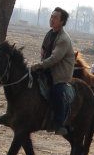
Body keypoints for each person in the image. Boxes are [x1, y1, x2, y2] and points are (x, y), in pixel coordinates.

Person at [30, 7, 75, 135]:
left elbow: (55, 58)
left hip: (59, 76)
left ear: (62, 22)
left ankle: (59, 123)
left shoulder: (64, 39)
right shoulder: (50, 34)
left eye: (55, 17)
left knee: (57, 92)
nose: (52, 19)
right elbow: (44, 52)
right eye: (51, 16)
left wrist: (39, 65)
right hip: (47, 70)